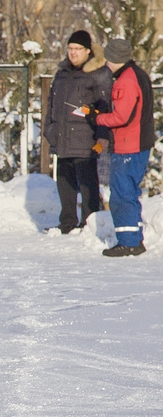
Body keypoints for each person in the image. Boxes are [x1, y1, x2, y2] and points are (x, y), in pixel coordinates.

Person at [43, 30, 112, 234]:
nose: (73, 53)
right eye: (70, 49)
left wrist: (101, 136)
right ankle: (67, 222)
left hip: (85, 139)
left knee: (88, 183)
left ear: (87, 51)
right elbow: (51, 103)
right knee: (64, 183)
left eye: (77, 49)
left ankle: (90, 223)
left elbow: (104, 106)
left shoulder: (98, 73)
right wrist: (49, 129)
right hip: (62, 136)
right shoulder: (61, 74)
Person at [91, 39, 154, 257]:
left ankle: (129, 242)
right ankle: (133, 239)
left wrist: (97, 118)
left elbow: (121, 117)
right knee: (127, 192)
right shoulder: (138, 74)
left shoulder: (125, 81)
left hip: (129, 145)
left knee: (121, 194)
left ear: (112, 57)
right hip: (138, 143)